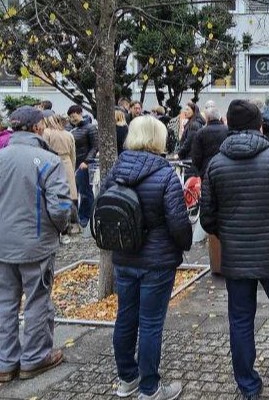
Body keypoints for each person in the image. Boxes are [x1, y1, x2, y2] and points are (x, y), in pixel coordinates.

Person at [199, 100, 269, 400]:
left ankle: (248, 388)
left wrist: (228, 236)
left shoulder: (216, 164)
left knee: (240, 320)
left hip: (236, 258)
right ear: (259, 125)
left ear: (229, 126)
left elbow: (207, 218)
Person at [101, 116, 192, 400]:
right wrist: (184, 244)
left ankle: (127, 378)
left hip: (124, 256)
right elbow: (178, 223)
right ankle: (150, 388)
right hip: (157, 260)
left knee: (125, 318)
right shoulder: (164, 174)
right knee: (151, 323)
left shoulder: (115, 170)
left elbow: (102, 207)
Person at [0, 107, 71, 382]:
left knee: (5, 302)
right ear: (37, 128)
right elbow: (61, 207)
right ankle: (34, 357)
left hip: (4, 245)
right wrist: (58, 229)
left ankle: (6, 361)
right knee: (38, 301)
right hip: (36, 244)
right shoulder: (48, 161)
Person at [42, 112, 80, 236]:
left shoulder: (46, 133)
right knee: (70, 193)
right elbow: (73, 154)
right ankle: (74, 223)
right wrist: (72, 167)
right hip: (67, 162)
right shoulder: (68, 134)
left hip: (52, 162)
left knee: (54, 193)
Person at [68, 105, 98, 228]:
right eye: (70, 117)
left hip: (84, 164)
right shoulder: (71, 129)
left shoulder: (90, 128)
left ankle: (86, 217)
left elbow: (95, 146)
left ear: (80, 113)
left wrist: (86, 161)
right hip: (73, 163)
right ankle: (77, 217)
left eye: (74, 116)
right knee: (75, 191)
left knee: (85, 191)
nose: (72, 118)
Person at [190, 105, 228, 176]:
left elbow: (196, 156)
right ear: (219, 117)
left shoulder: (201, 133)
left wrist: (198, 170)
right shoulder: (227, 131)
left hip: (206, 169)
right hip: (224, 168)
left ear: (207, 118)